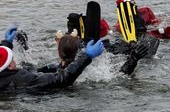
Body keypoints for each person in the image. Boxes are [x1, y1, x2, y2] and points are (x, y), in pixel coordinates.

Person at [0, 27, 148, 92]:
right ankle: (132, 57)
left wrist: (7, 44)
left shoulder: (48, 68)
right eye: (12, 59)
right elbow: (118, 78)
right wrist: (87, 56)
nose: (15, 61)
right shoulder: (22, 79)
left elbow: (31, 69)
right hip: (66, 91)